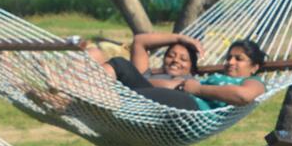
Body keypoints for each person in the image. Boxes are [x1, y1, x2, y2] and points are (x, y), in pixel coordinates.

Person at [92, 34, 266, 112]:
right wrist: (180, 38)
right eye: (229, 57)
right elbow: (140, 41)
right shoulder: (217, 77)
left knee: (130, 96)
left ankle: (91, 97)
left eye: (238, 59)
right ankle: (89, 91)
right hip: (181, 100)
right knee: (120, 64)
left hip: (192, 107)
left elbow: (243, 96)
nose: (230, 62)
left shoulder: (254, 81)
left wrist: (197, 90)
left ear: (254, 67)